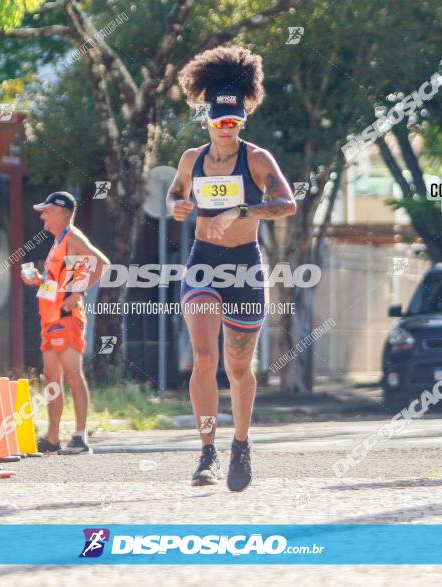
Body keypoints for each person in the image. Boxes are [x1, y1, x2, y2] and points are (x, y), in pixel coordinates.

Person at [168, 46, 297, 491]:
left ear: (242, 121)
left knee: (238, 369)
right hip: (203, 263)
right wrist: (179, 206)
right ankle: (207, 451)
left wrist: (244, 211)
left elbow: (286, 203)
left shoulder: (257, 159)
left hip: (244, 267)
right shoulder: (191, 159)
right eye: (219, 121)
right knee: (203, 359)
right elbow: (173, 194)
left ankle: (241, 443)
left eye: (233, 122)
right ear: (206, 119)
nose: (225, 129)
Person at [20, 191, 110, 455]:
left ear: (61, 212)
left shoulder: (72, 236)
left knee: (72, 375)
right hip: (50, 318)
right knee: (52, 378)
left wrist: (78, 293)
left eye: (46, 211)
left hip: (66, 318)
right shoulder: (58, 241)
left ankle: (80, 437)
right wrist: (39, 280)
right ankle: (52, 438)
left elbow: (102, 264)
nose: (42, 216)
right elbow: (58, 280)